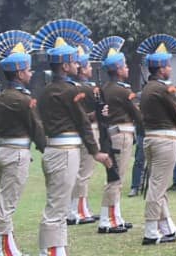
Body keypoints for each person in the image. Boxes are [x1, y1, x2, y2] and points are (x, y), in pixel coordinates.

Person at [34, 21, 112, 256]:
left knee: (56, 202)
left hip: (53, 148)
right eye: (74, 61)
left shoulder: (47, 90)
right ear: (65, 65)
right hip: (65, 150)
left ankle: (56, 250)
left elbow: (56, 119)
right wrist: (96, 150)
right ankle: (49, 251)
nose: (78, 65)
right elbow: (81, 123)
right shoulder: (69, 90)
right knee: (56, 206)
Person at [0, 30, 46, 256]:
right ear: (20, 72)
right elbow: (36, 127)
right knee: (7, 204)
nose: (30, 73)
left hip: (3, 150)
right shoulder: (23, 98)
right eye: (28, 69)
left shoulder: (3, 96)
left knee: (2, 201)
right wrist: (47, 148)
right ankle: (1, 251)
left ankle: (5, 247)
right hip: (16, 153)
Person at [137, 34, 176, 245]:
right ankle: (151, 230)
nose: (170, 68)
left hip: (151, 138)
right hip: (164, 139)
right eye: (168, 65)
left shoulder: (147, 88)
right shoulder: (163, 88)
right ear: (161, 68)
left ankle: (167, 226)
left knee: (158, 183)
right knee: (158, 186)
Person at [97, 37, 140, 234]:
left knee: (115, 177)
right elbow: (136, 113)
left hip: (111, 134)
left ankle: (116, 216)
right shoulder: (124, 90)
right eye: (125, 66)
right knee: (116, 179)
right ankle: (108, 220)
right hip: (122, 134)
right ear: (118, 69)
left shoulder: (105, 88)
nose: (128, 68)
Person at [67, 43, 101, 226]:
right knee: (84, 173)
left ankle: (80, 207)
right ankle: (77, 209)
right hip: (88, 129)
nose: (90, 69)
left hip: (74, 132)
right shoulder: (88, 89)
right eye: (87, 66)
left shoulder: (73, 87)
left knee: (78, 172)